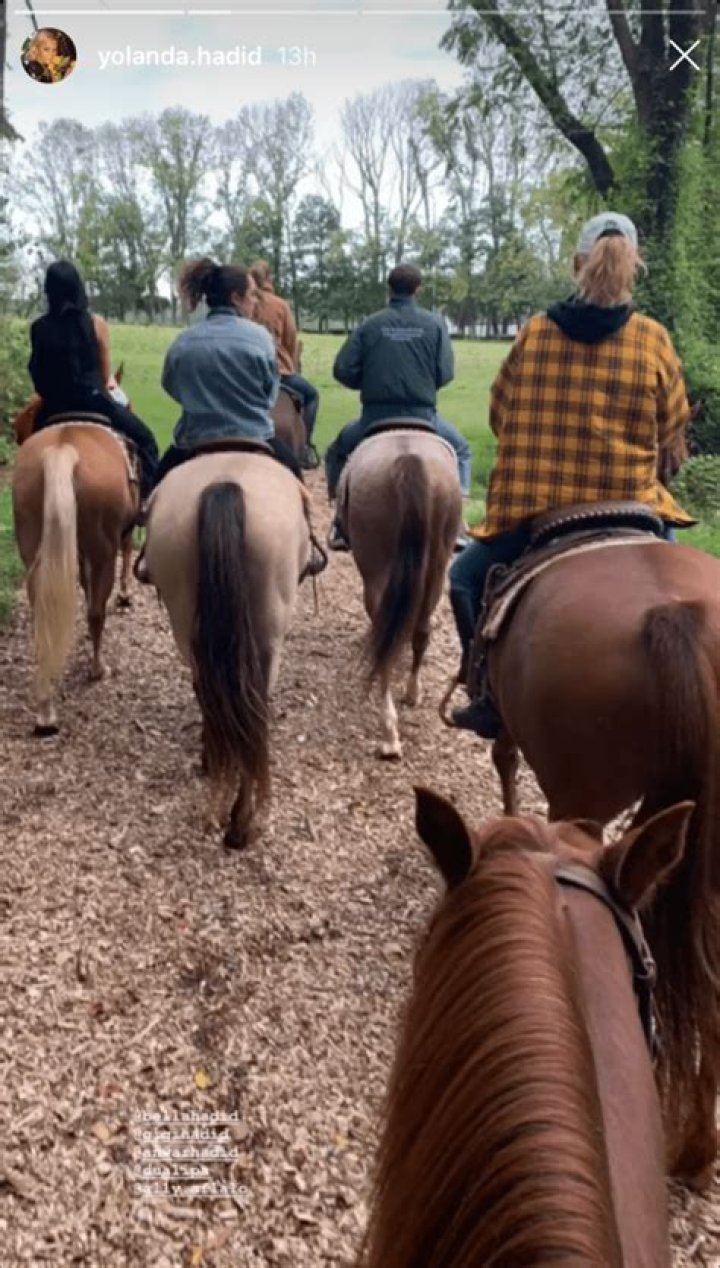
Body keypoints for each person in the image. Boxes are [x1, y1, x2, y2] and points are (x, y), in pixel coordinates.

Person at [449, 211, 695, 739]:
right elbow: (674, 423)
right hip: (635, 508)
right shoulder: (653, 338)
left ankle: (486, 697)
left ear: (576, 264)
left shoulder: (535, 333)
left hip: (542, 508)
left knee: (463, 581)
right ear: (635, 268)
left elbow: (500, 412)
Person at [325, 264, 472, 550]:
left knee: (337, 452)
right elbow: (446, 372)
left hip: (374, 418)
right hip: (424, 416)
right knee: (462, 450)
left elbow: (343, 369)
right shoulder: (435, 324)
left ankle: (341, 523)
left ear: (389, 288)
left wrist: (367, 381)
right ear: (418, 290)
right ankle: (456, 523)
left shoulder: (370, 324)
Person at [152, 257, 305, 486]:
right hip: (255, 435)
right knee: (296, 478)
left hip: (194, 438)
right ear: (236, 298)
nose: (256, 301)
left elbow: (171, 385)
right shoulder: (261, 338)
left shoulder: (183, 342)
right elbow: (270, 393)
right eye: (253, 295)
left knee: (156, 488)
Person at [30, 260, 158, 499]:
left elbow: (37, 372)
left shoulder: (38, 328)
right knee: (147, 440)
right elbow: (103, 373)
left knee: (28, 449)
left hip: (53, 407)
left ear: (49, 290)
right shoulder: (96, 324)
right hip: (95, 402)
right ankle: (145, 502)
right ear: (78, 287)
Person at [250, 260, 320, 464]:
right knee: (312, 395)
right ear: (269, 279)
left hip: (247, 371)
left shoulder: (242, 302)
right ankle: (305, 447)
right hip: (279, 372)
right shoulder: (280, 305)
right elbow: (290, 340)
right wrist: (289, 363)